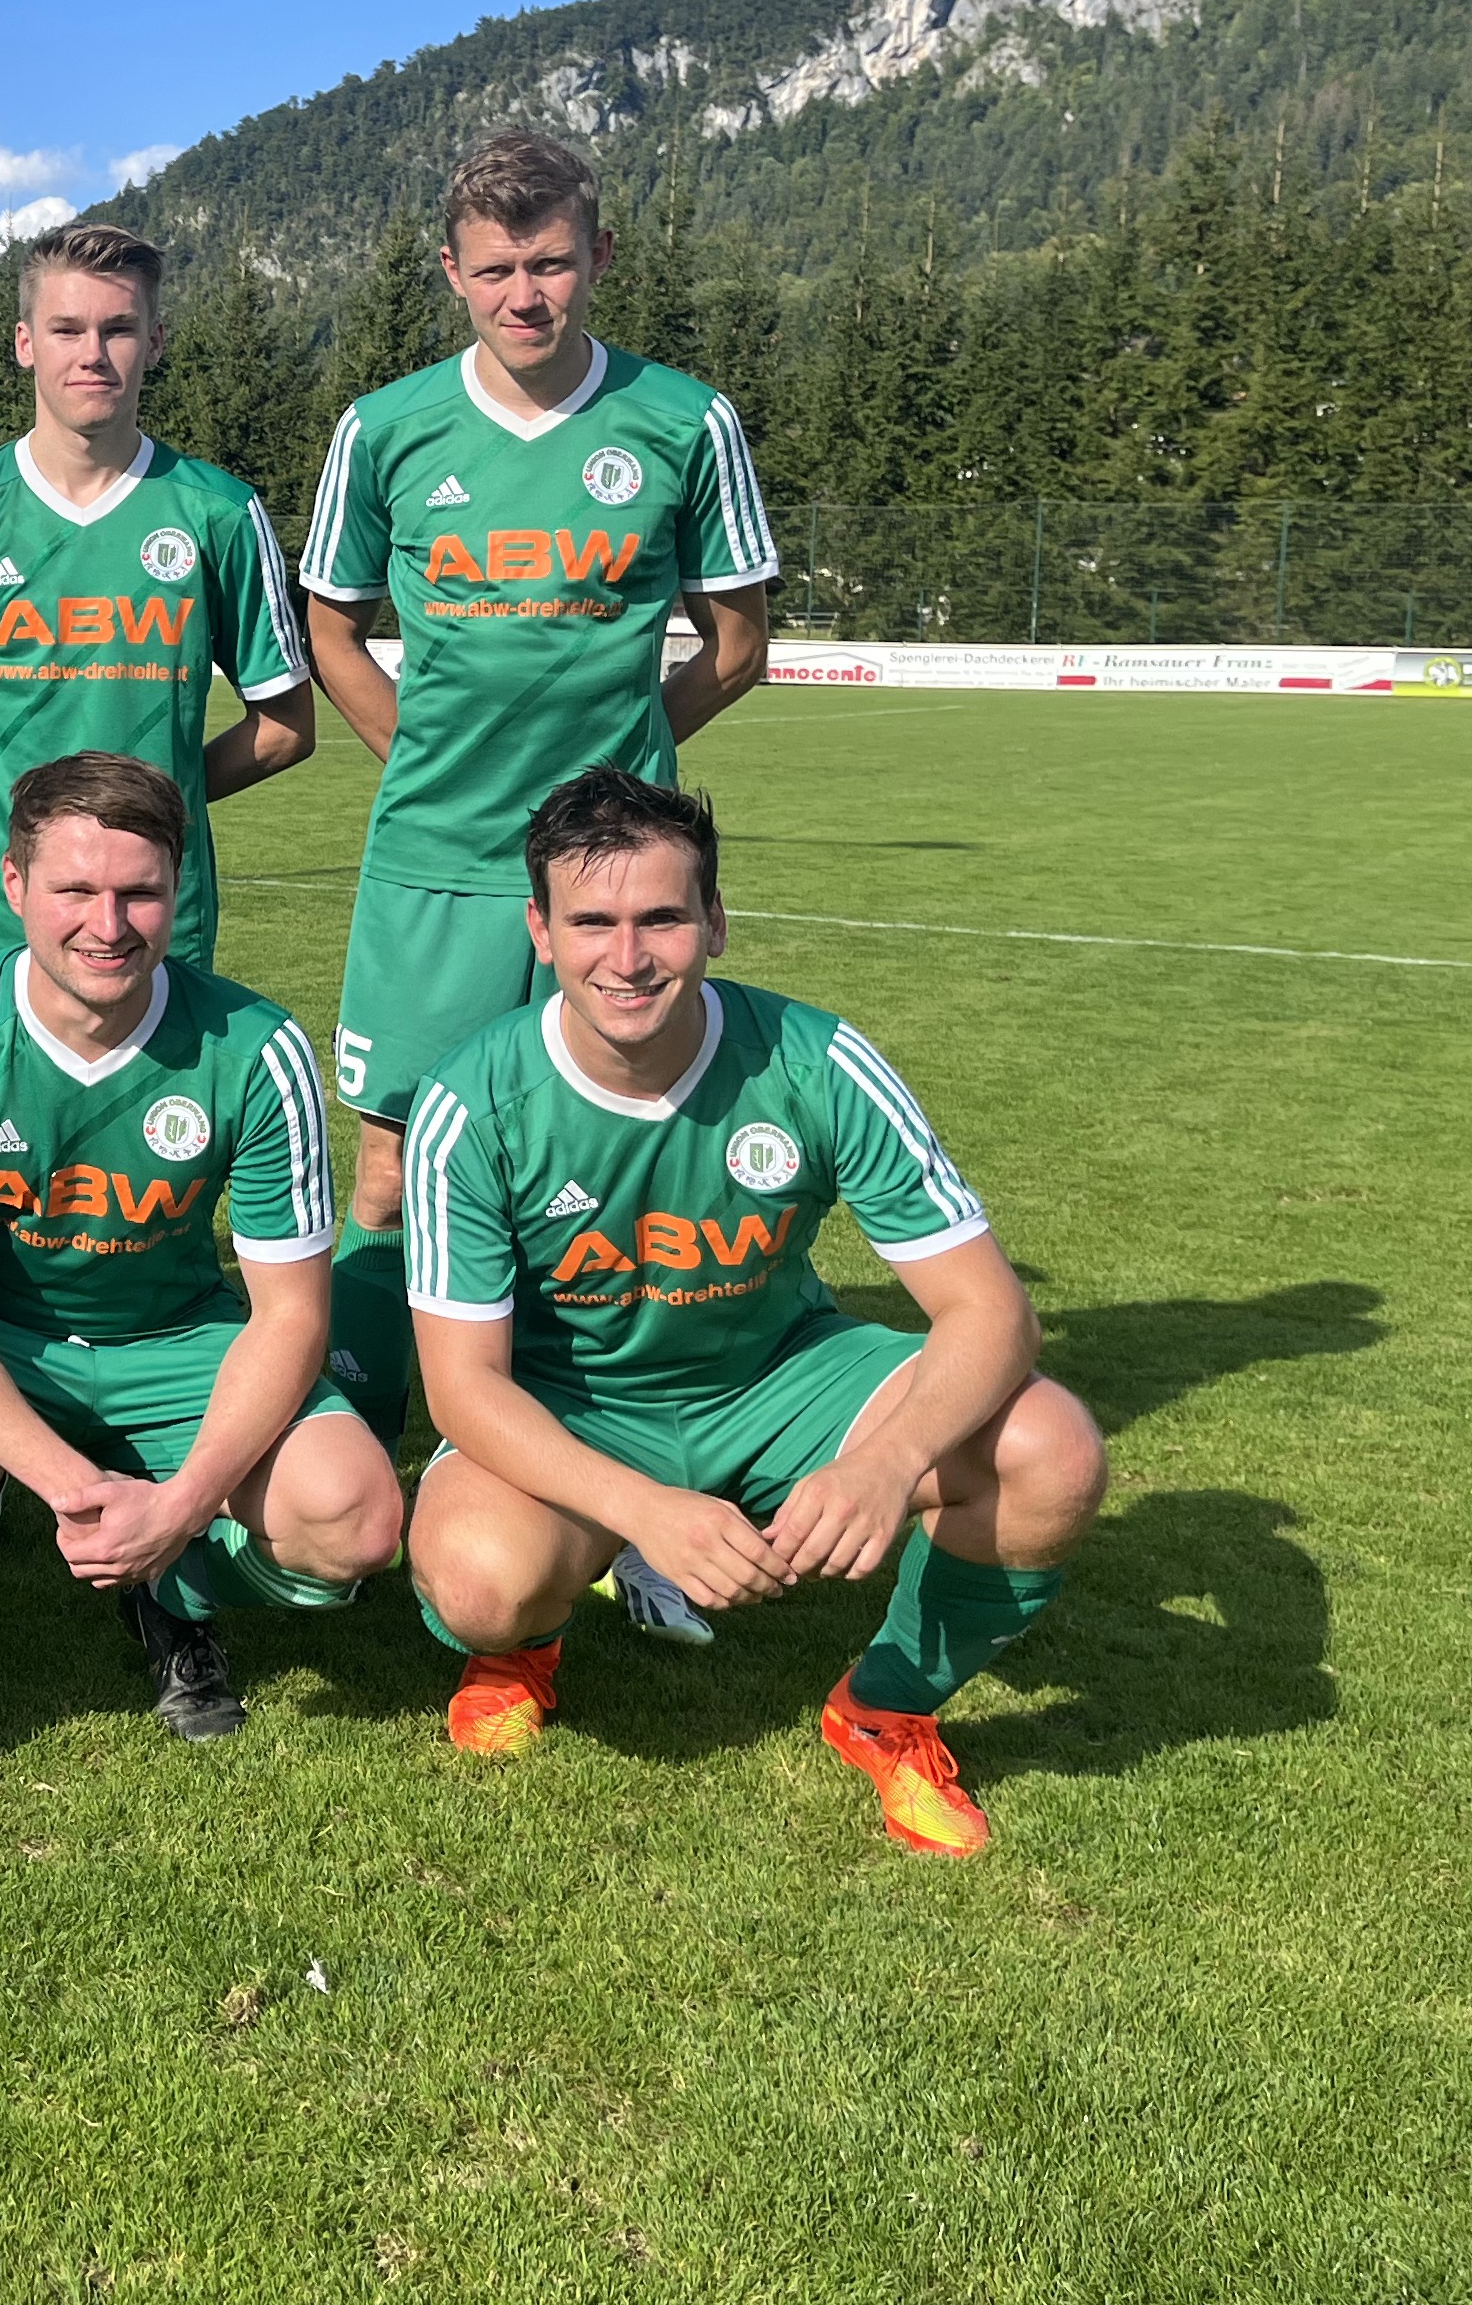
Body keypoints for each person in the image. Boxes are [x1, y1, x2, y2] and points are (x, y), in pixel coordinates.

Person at [402, 769, 1103, 1858]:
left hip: (780, 1379)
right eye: (590, 923)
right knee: (479, 1580)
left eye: (662, 918)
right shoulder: (472, 1102)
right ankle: (523, 1646)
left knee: (1050, 1448)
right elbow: (462, 1387)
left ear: (716, 922)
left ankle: (886, 1707)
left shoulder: (816, 1063)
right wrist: (646, 1512)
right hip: (576, 1401)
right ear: (540, 932)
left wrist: (887, 1462)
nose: (627, 958)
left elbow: (992, 1311)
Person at [300, 129, 777, 1637]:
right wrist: (423, 759)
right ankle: (358, 1464)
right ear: (453, 272)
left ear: (599, 258)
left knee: (628, 1165)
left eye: (553, 262)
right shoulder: (385, 429)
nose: (527, 294)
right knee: (392, 1169)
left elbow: (739, 642)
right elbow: (330, 625)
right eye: (498, 268)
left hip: (611, 881)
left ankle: (626, 1480)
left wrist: (614, 797)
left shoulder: (685, 420)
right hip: (433, 868)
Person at [0, 753, 395, 1736]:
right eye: (74, 891)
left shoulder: (256, 1047)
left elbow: (291, 1316)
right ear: (15, 884)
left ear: (178, 888)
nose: (108, 925)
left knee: (356, 1519)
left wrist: (180, 1508)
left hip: (175, 1340)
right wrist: (72, 1485)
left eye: (140, 893)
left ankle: (174, 1586)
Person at [0, 222, 313, 975]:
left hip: (154, 917)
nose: (92, 353)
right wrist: (24, 819)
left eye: (119, 329)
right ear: (25, 343)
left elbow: (286, 728)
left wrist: (144, 813)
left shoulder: (221, 514)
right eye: (66, 329)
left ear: (155, 342)